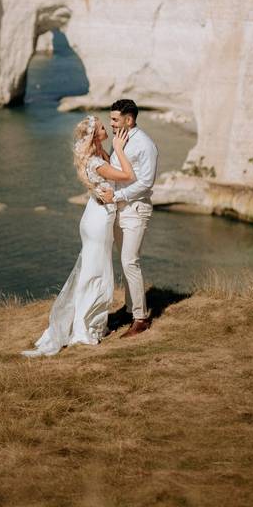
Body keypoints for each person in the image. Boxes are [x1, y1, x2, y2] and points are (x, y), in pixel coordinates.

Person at [22, 114, 136, 357]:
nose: (107, 128)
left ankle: (88, 322)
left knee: (92, 271)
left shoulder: (97, 155)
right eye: (103, 127)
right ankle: (85, 328)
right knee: (95, 272)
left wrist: (112, 149)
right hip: (98, 220)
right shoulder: (96, 162)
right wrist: (120, 149)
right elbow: (128, 176)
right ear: (96, 136)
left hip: (94, 215)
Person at [98, 99, 159, 338]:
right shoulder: (120, 140)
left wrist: (118, 195)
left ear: (129, 119)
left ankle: (141, 318)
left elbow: (145, 183)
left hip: (136, 209)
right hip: (119, 208)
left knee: (130, 261)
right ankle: (128, 308)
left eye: (114, 119)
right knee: (124, 262)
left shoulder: (145, 145)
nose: (111, 123)